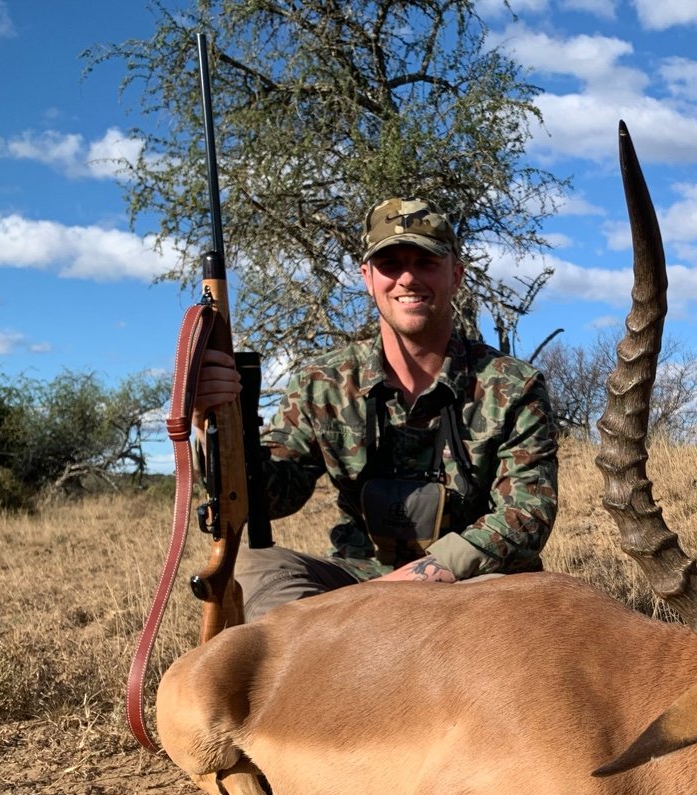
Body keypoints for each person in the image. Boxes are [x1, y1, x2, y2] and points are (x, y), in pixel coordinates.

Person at [192, 198, 558, 620]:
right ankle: (323, 661)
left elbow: (526, 515)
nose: (407, 278)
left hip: (469, 588)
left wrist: (403, 586)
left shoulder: (513, 385)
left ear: (455, 275)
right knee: (254, 568)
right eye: (390, 264)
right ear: (367, 278)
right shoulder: (322, 382)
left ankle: (327, 655)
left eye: (426, 262)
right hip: (355, 581)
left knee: (517, 603)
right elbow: (272, 494)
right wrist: (211, 423)